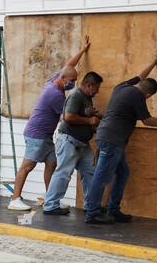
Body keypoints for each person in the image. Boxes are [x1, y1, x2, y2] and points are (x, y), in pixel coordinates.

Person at [85, 47, 157, 224]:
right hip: (112, 140)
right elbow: (148, 121)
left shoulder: (123, 87)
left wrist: (154, 62)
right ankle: (92, 212)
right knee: (102, 175)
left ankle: (113, 209)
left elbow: (140, 76)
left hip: (109, 137)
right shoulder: (138, 97)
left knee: (122, 173)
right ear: (148, 94)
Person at [7, 36, 91, 211]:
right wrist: (89, 117)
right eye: (72, 82)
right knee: (28, 165)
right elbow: (68, 116)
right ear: (64, 79)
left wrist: (83, 51)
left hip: (45, 136)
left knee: (52, 163)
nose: (73, 85)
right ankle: (14, 199)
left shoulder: (54, 81)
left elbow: (69, 64)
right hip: (36, 134)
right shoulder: (55, 95)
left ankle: (50, 198)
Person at [43, 72, 103, 215]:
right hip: (69, 140)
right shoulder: (76, 95)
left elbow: (80, 115)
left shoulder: (87, 98)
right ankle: (50, 205)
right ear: (89, 85)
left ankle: (91, 205)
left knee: (90, 172)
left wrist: (92, 117)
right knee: (63, 172)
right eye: (97, 88)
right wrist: (89, 121)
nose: (97, 91)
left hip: (81, 142)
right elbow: (68, 116)